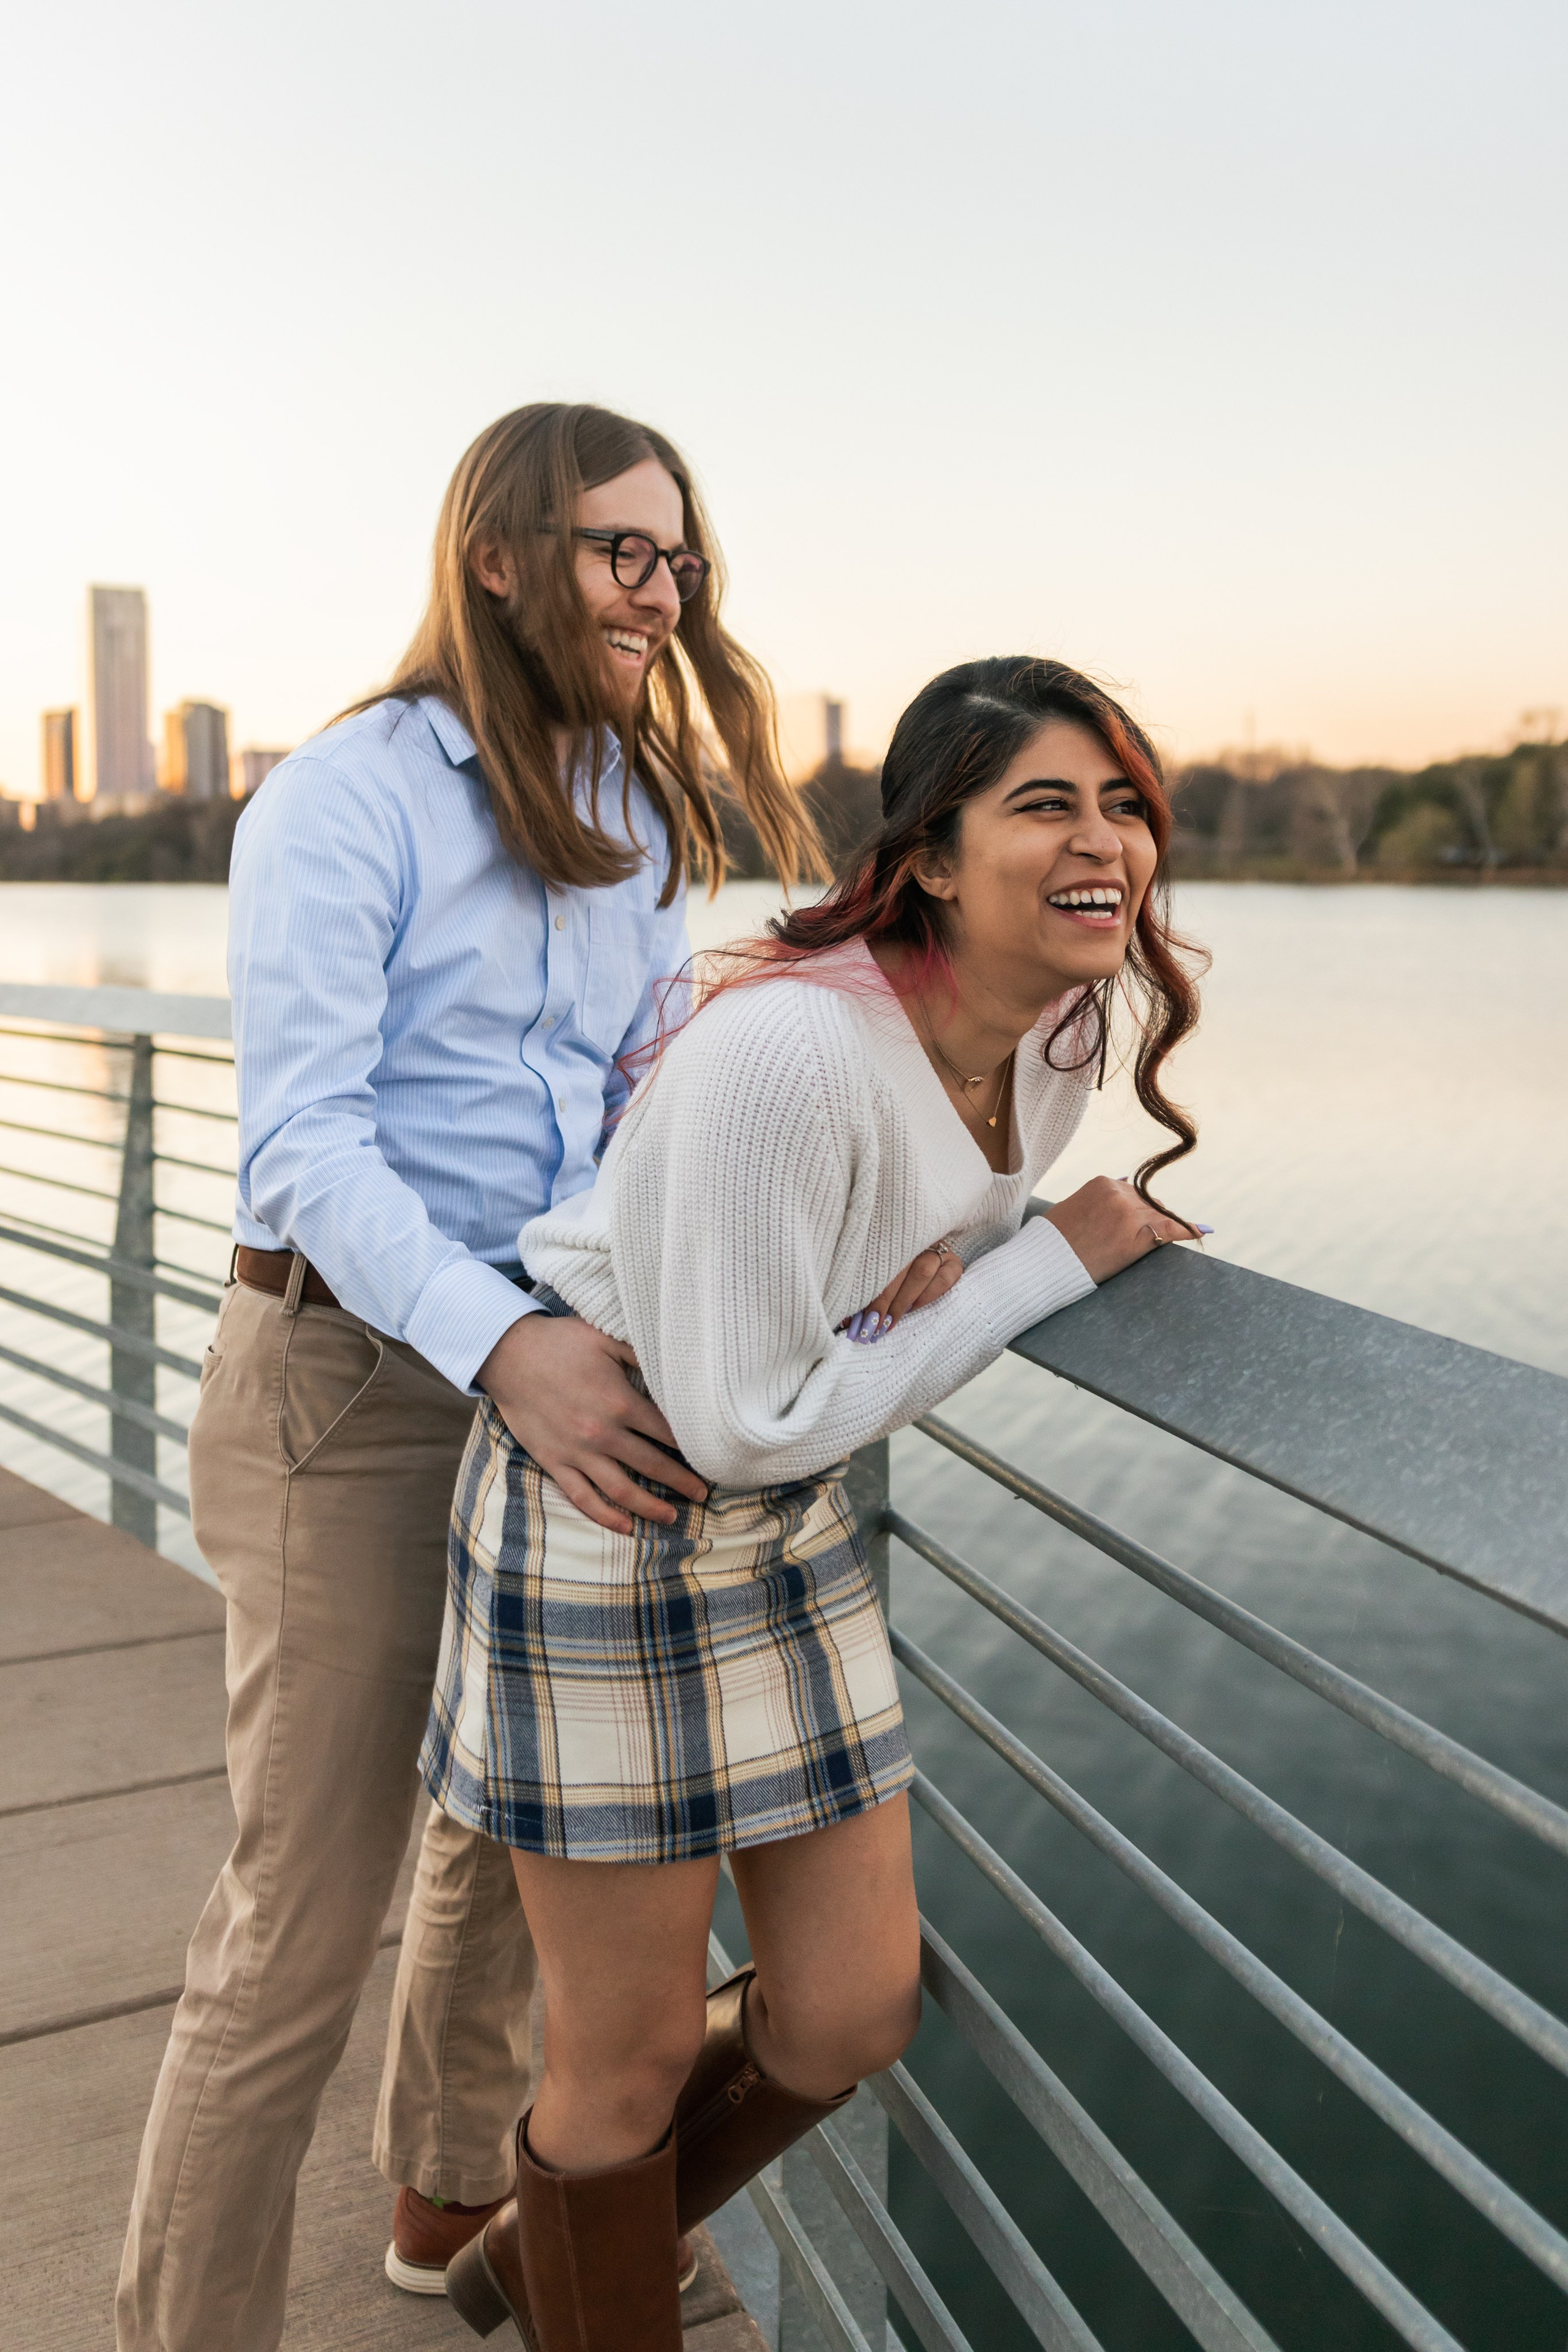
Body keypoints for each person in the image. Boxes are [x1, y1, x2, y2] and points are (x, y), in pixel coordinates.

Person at [115, 402, 821, 2352]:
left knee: (502, 1836)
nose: (660, 592)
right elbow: (305, 1152)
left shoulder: (628, 819)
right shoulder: (344, 798)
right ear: (498, 556)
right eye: (620, 550)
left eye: (679, 559)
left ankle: (445, 2204)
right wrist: (509, 1343)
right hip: (354, 1381)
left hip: (561, 1358)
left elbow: (628, 1112)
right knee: (294, 1928)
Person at [426, 654, 1206, 2347]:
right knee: (621, 2060)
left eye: (1126, 803)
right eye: (1048, 804)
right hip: (620, 1504)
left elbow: (935, 1235)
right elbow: (748, 1417)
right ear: (929, 854)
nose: (1107, 843)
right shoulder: (790, 1055)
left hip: (786, 1518)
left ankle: (531, 2255)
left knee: (851, 2010)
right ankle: (585, 2265)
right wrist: (1042, 1264)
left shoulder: (1069, 1024)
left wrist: (963, 1259)